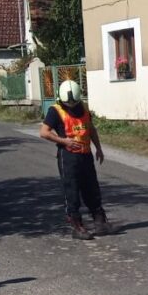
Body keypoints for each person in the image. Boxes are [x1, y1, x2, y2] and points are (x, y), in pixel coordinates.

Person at [39, 80, 113, 239]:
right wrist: (64, 141)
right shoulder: (55, 111)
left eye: (74, 103)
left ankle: (100, 221)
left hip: (86, 155)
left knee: (92, 188)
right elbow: (44, 132)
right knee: (72, 190)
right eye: (68, 104)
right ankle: (77, 226)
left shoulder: (84, 108)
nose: (72, 106)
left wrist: (98, 148)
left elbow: (91, 128)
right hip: (68, 157)